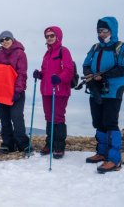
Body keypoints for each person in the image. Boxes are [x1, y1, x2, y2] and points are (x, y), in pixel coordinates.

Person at [82, 16, 124, 173]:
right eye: (99, 31)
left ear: (112, 31)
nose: (102, 33)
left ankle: (114, 159)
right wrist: (91, 76)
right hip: (96, 90)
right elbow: (86, 65)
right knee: (98, 122)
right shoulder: (95, 48)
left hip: (113, 90)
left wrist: (103, 76)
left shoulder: (121, 48)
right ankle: (102, 153)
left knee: (110, 122)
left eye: (105, 30)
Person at [33, 26, 74, 159]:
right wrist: (40, 75)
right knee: (49, 117)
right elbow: (46, 71)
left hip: (59, 90)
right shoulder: (47, 54)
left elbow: (69, 70)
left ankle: (59, 146)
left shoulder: (64, 51)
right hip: (46, 90)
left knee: (58, 117)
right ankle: (49, 144)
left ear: (58, 36)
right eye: (47, 36)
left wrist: (59, 78)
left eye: (52, 35)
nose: (49, 38)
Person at [0, 31, 30, 154]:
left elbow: (22, 73)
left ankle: (23, 143)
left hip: (16, 92)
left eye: (7, 38)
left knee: (17, 116)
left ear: (12, 39)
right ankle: (8, 143)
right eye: (1, 40)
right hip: (2, 92)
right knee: (4, 118)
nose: (4, 41)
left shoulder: (20, 53)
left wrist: (18, 90)